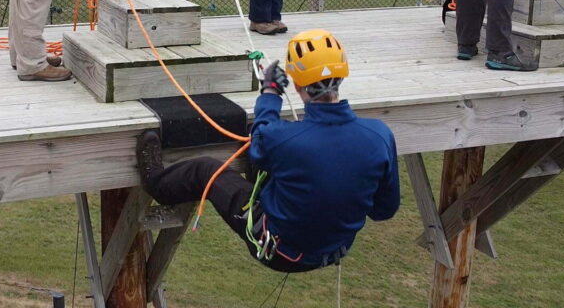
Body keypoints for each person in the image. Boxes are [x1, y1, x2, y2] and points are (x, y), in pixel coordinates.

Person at [136, 29, 400, 272]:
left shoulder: (285, 139)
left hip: (279, 252)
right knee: (281, 160)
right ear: (342, 76)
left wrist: (270, 92)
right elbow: (383, 210)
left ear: (296, 85)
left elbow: (261, 139)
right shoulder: (379, 135)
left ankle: (156, 183)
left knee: (206, 169)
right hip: (332, 250)